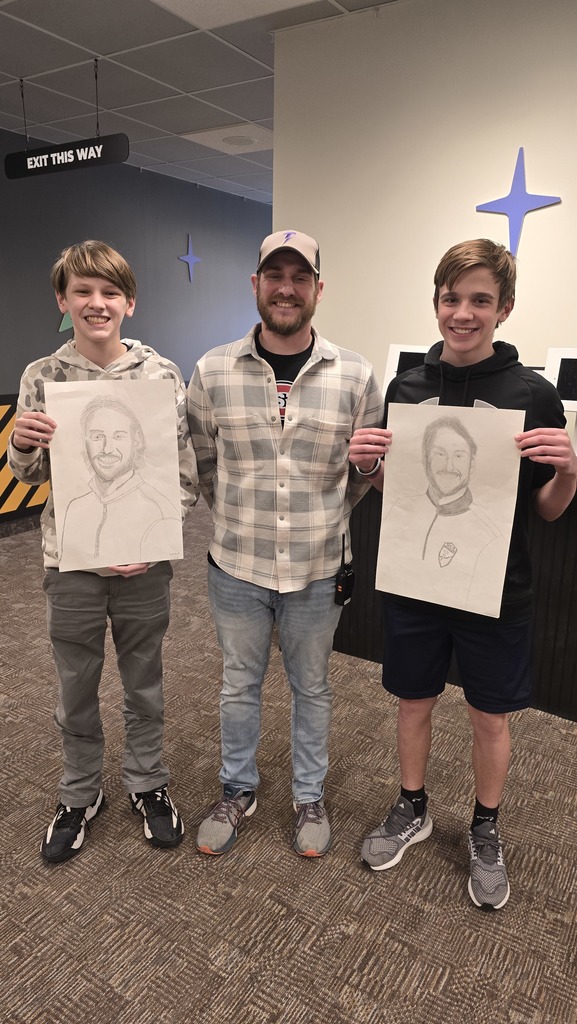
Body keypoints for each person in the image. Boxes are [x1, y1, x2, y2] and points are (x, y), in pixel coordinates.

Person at [349, 238, 577, 909]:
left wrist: (569, 470)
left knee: (489, 717)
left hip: (495, 588)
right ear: (436, 303)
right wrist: (369, 466)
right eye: (452, 298)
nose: (463, 313)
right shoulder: (407, 388)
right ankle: (412, 806)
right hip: (417, 583)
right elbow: (402, 491)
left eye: (481, 300)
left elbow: (546, 509)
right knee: (412, 701)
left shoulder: (533, 394)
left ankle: (485, 826)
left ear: (505, 308)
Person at [187, 229, 383, 858]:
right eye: (276, 276)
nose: (287, 289)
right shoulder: (212, 370)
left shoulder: (355, 374)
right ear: (257, 284)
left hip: (317, 568)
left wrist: (328, 511)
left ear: (319, 289)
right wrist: (240, 516)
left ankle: (309, 796)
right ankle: (236, 790)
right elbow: (203, 465)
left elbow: (364, 475)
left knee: (313, 687)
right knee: (238, 684)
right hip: (236, 565)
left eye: (301, 277)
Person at [8, 240, 198, 863]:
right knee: (76, 685)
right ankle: (80, 791)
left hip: (146, 566)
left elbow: (184, 475)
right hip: (72, 565)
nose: (97, 303)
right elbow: (31, 475)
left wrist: (152, 533)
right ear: (62, 301)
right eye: (83, 291)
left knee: (144, 681)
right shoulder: (42, 376)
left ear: (129, 303)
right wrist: (22, 445)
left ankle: (147, 782)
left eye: (110, 292)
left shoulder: (160, 374)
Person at [380, 413, 507, 616]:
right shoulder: (398, 507)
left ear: (472, 464)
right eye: (439, 454)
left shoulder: (489, 537)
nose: (449, 466)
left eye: (459, 456)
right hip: (404, 611)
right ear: (425, 459)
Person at [61, 395, 182, 567]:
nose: (107, 449)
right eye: (97, 437)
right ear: (84, 441)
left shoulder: (160, 511)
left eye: (118, 436)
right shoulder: (74, 508)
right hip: (74, 578)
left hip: (143, 578)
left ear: (137, 440)